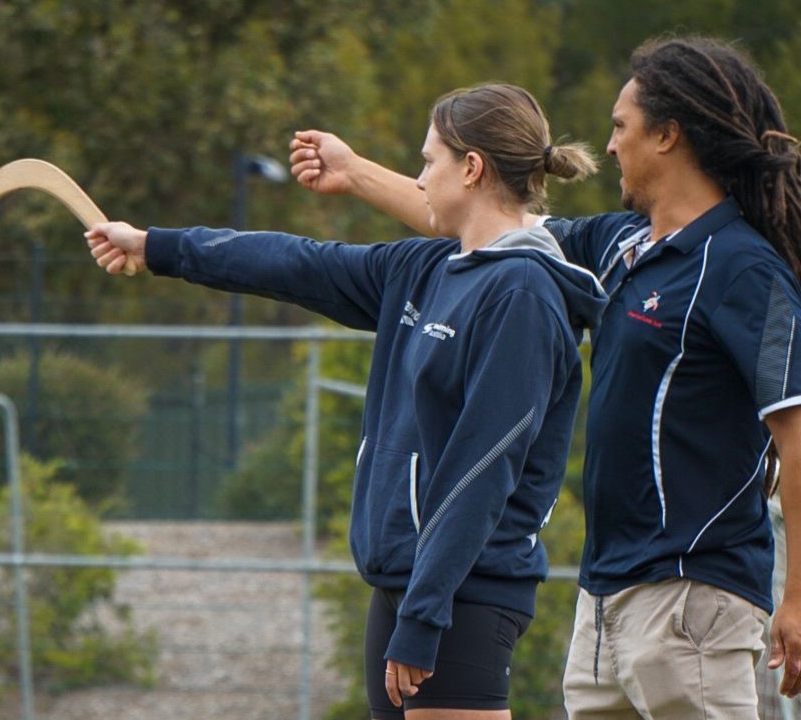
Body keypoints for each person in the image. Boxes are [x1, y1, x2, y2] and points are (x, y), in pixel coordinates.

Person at [287, 35, 801, 719]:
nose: (610, 146)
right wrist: (355, 174)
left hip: (693, 598)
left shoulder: (746, 271)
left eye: (622, 127)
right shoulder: (619, 246)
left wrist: (797, 593)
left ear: (669, 135)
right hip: (604, 597)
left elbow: (796, 432)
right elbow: (480, 222)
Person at [88, 83, 607, 719]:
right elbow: (295, 262)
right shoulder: (427, 267)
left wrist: (423, 616)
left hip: (461, 599)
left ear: (471, 168)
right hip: (402, 586)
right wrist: (157, 246)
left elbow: (482, 470)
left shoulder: (522, 295)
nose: (418, 180)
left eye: (427, 162)